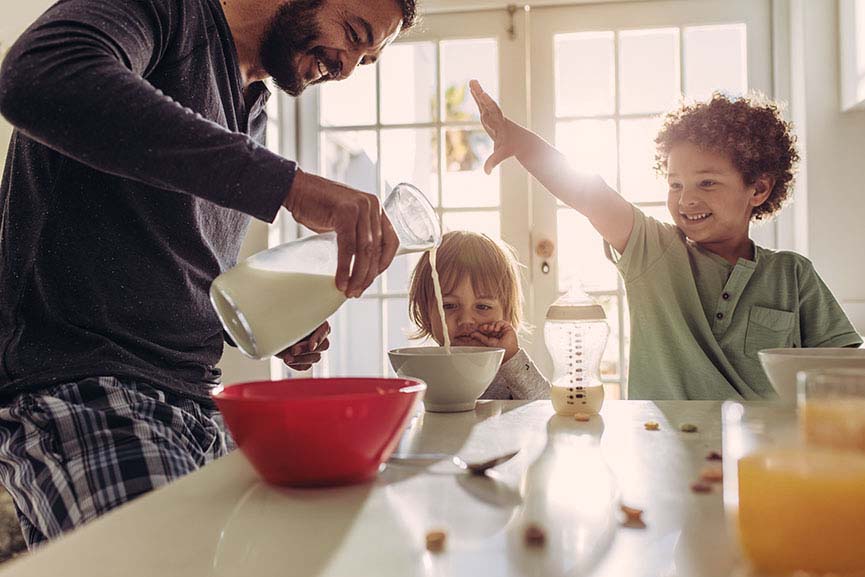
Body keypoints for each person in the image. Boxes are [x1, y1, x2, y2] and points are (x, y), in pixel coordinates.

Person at [0, 0, 417, 546]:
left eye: (364, 61)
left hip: (197, 408)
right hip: (86, 391)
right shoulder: (168, 14)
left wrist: (269, 321)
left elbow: (175, 269)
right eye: (353, 33)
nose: (344, 68)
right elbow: (39, 75)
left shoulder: (252, 109)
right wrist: (288, 185)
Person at [469, 81, 862, 400]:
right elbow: (587, 192)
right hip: (660, 448)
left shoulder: (792, 274)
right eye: (676, 184)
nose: (687, 198)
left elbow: (846, 371)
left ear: (758, 189)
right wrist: (520, 143)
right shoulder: (653, 253)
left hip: (764, 454)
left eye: (707, 182)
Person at [408, 231, 550, 400]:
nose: (466, 320)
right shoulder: (421, 369)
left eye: (482, 307)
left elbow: (544, 405)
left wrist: (511, 358)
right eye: (449, 305)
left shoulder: (508, 370)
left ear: (506, 313)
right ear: (425, 313)